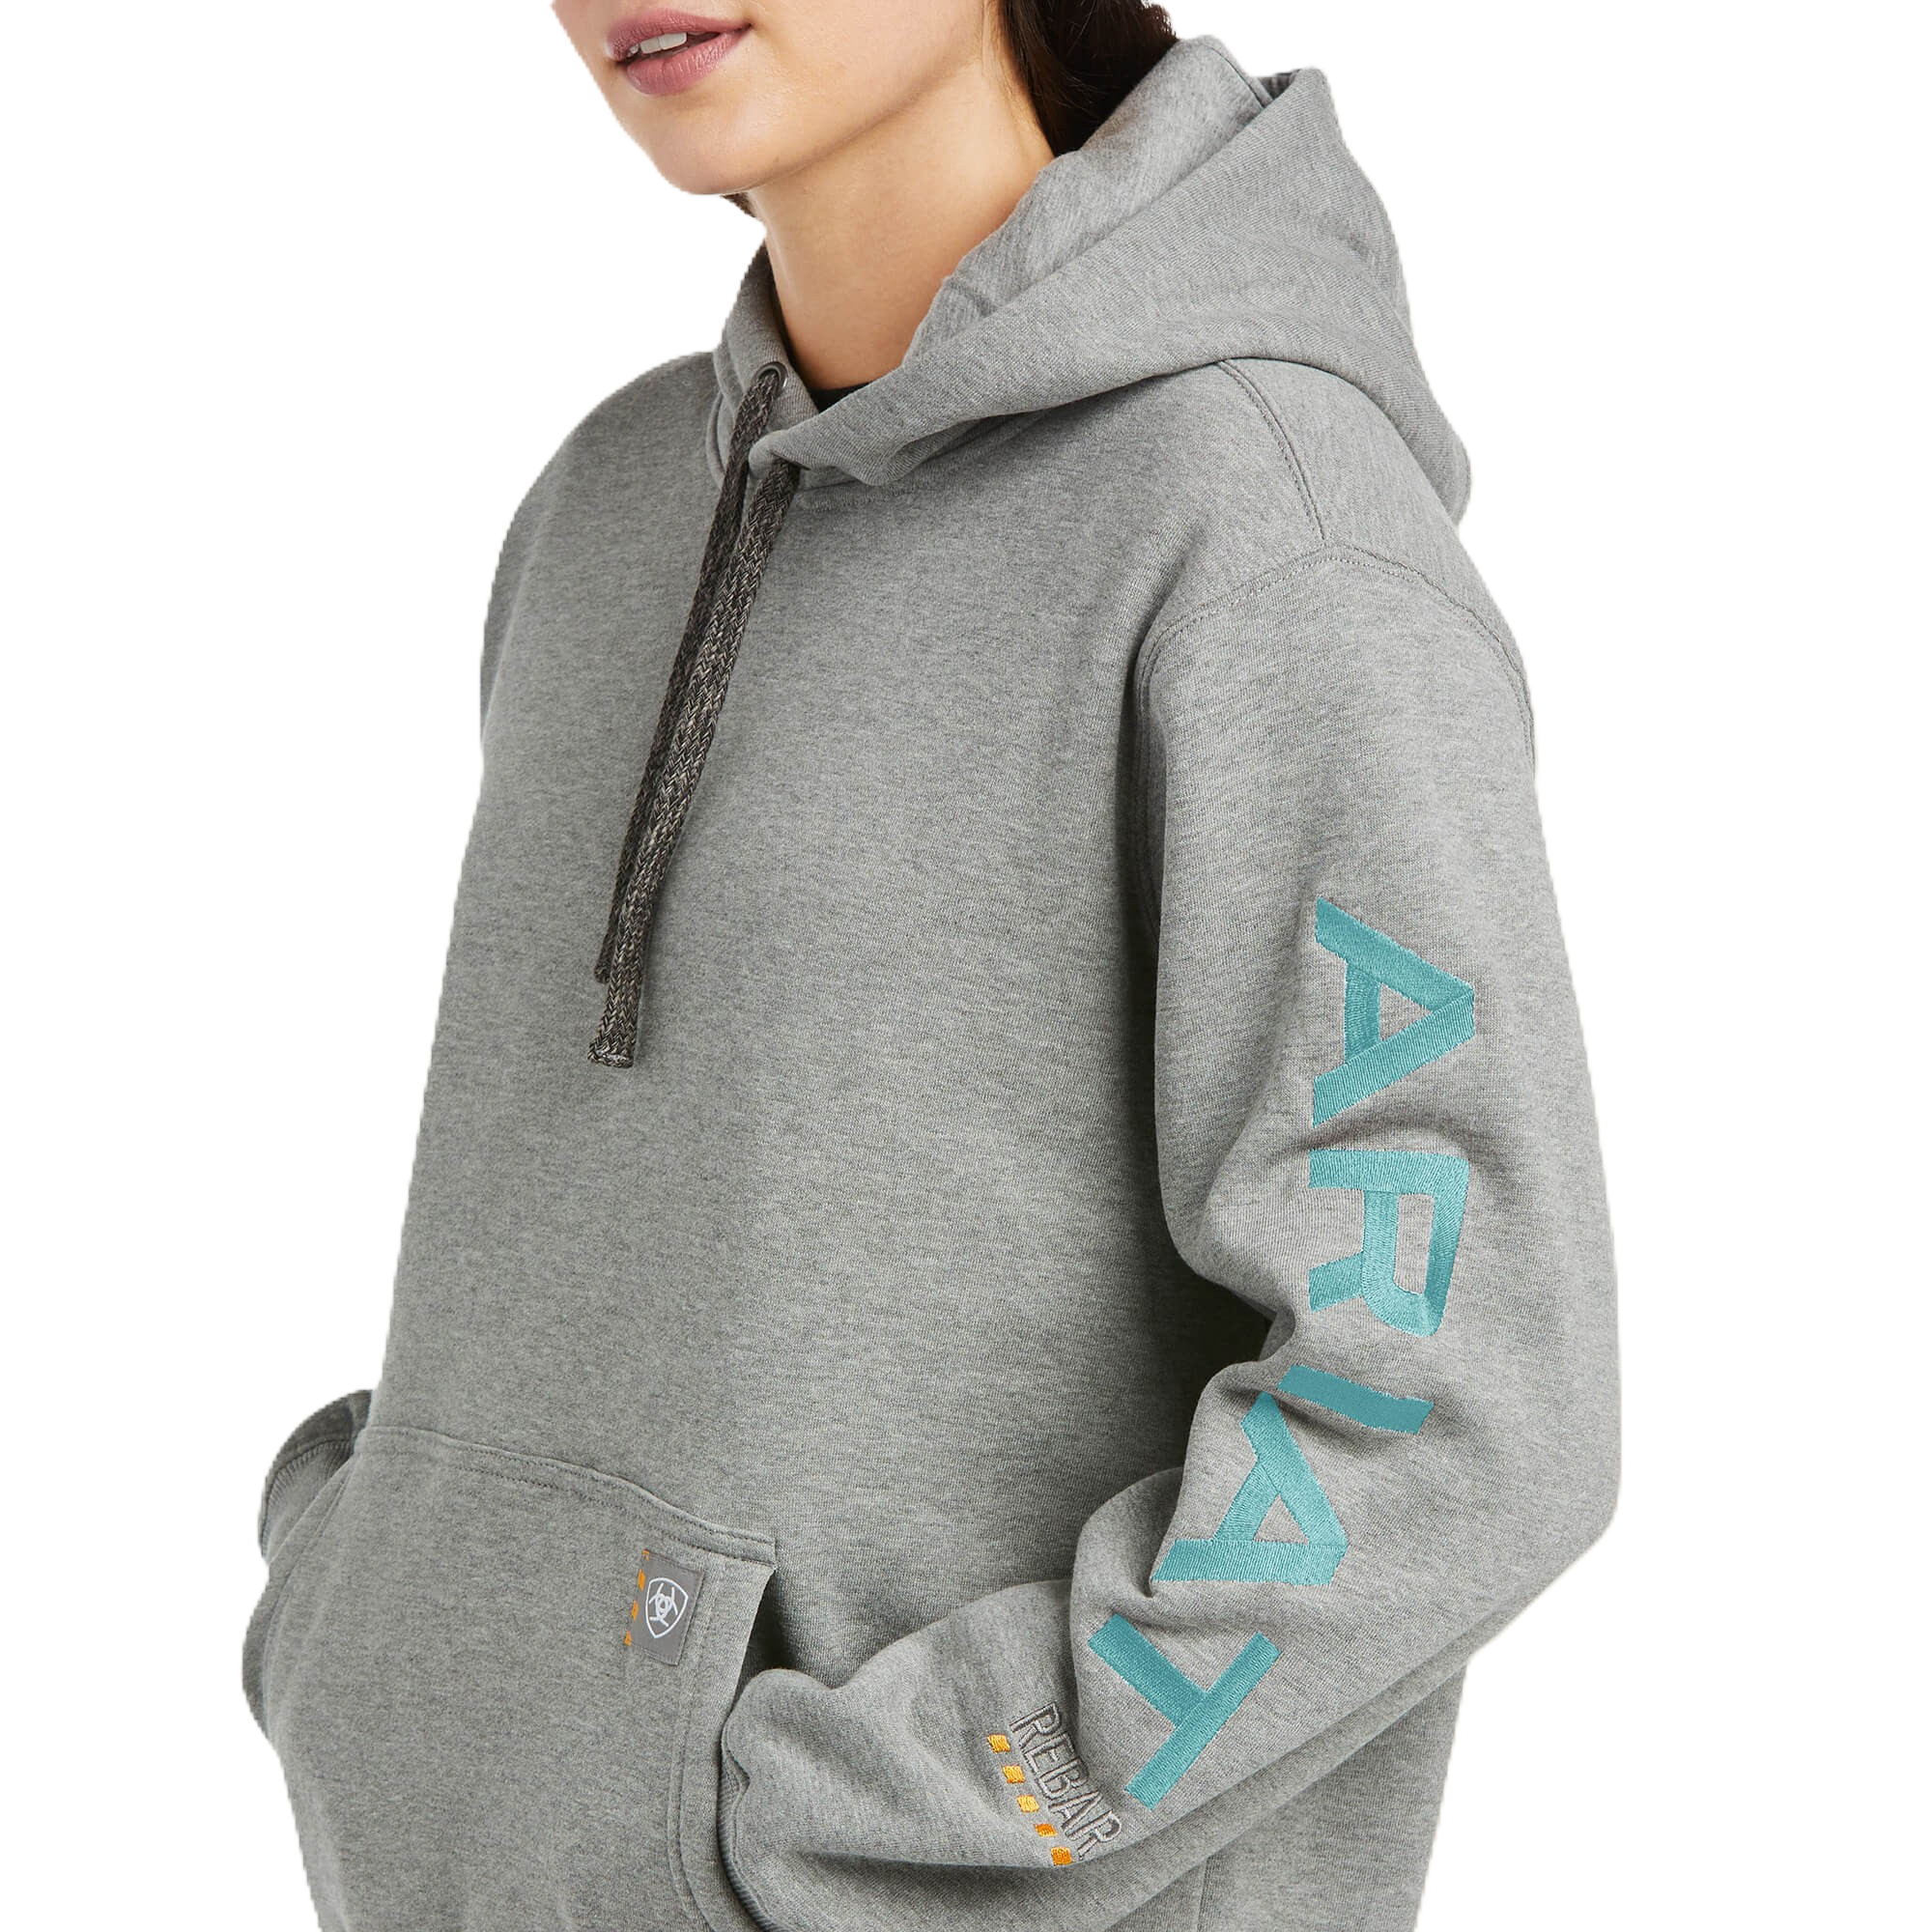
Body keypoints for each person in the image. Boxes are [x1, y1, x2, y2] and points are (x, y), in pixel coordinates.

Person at [240, 6, 1620, 1929]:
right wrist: (367, 1611)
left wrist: (853, 1819)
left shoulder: (1262, 533)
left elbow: (1457, 1414)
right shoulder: (609, 507)